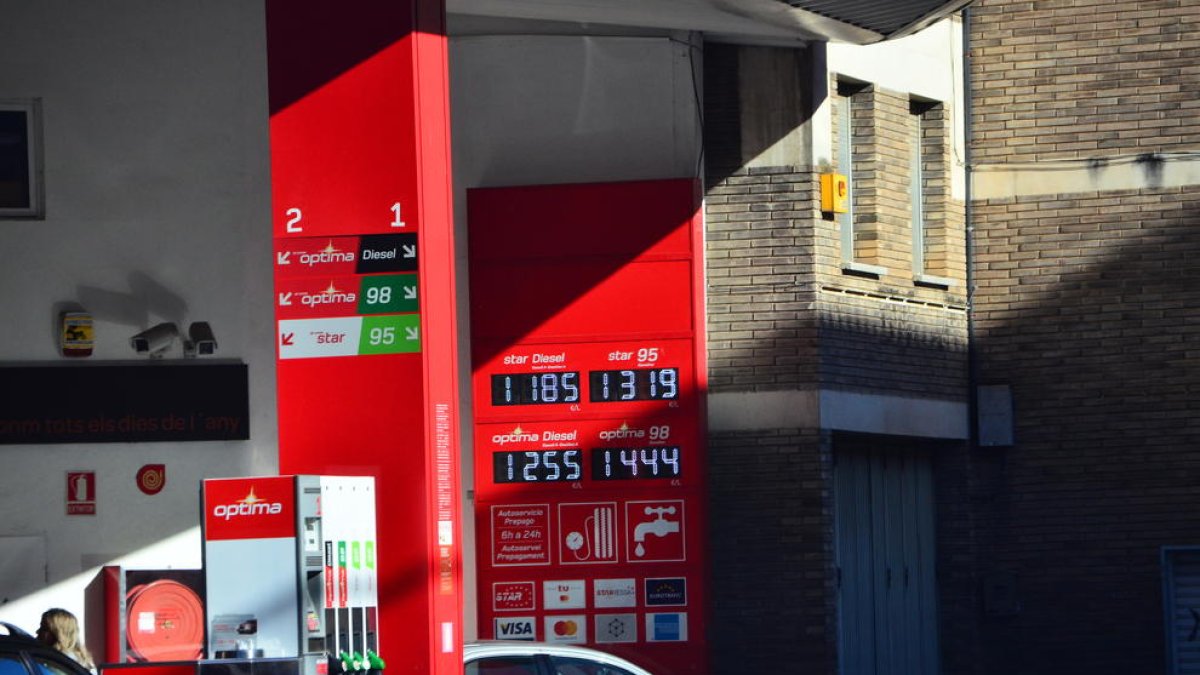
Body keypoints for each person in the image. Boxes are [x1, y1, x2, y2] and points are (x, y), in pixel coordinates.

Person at [35, 608, 96, 674]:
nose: (37, 632)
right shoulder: (78, 661)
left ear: (58, 633)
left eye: (44, 629)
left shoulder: (61, 663)